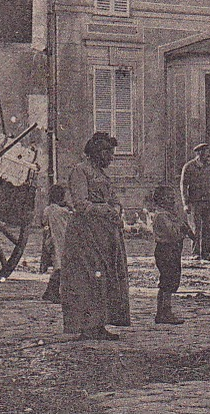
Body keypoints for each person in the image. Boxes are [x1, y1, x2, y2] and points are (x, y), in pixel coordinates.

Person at [61, 132, 130, 340]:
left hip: (104, 233)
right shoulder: (80, 171)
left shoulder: (102, 175)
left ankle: (99, 324)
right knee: (87, 278)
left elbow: (113, 199)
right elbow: (80, 204)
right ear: (95, 152)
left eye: (111, 152)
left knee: (104, 277)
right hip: (85, 233)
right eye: (107, 152)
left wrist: (116, 208)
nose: (110, 157)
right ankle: (86, 326)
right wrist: (105, 210)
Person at [139, 184, 194, 325]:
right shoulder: (161, 216)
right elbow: (173, 233)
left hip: (174, 250)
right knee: (167, 281)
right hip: (166, 250)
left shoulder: (170, 215)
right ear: (161, 200)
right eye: (169, 198)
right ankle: (163, 312)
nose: (173, 201)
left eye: (173, 198)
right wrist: (182, 229)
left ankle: (164, 311)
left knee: (172, 280)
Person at [179, 143, 210, 261]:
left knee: (208, 229)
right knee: (195, 229)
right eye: (205, 152)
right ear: (199, 153)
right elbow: (183, 185)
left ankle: (206, 253)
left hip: (208, 202)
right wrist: (185, 203)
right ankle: (195, 253)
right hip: (194, 202)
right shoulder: (189, 166)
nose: (207, 154)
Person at [40, 184, 72, 304]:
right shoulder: (62, 212)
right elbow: (70, 219)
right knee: (59, 267)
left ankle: (50, 292)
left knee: (58, 266)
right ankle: (51, 292)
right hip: (59, 241)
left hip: (51, 241)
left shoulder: (48, 210)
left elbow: (43, 222)